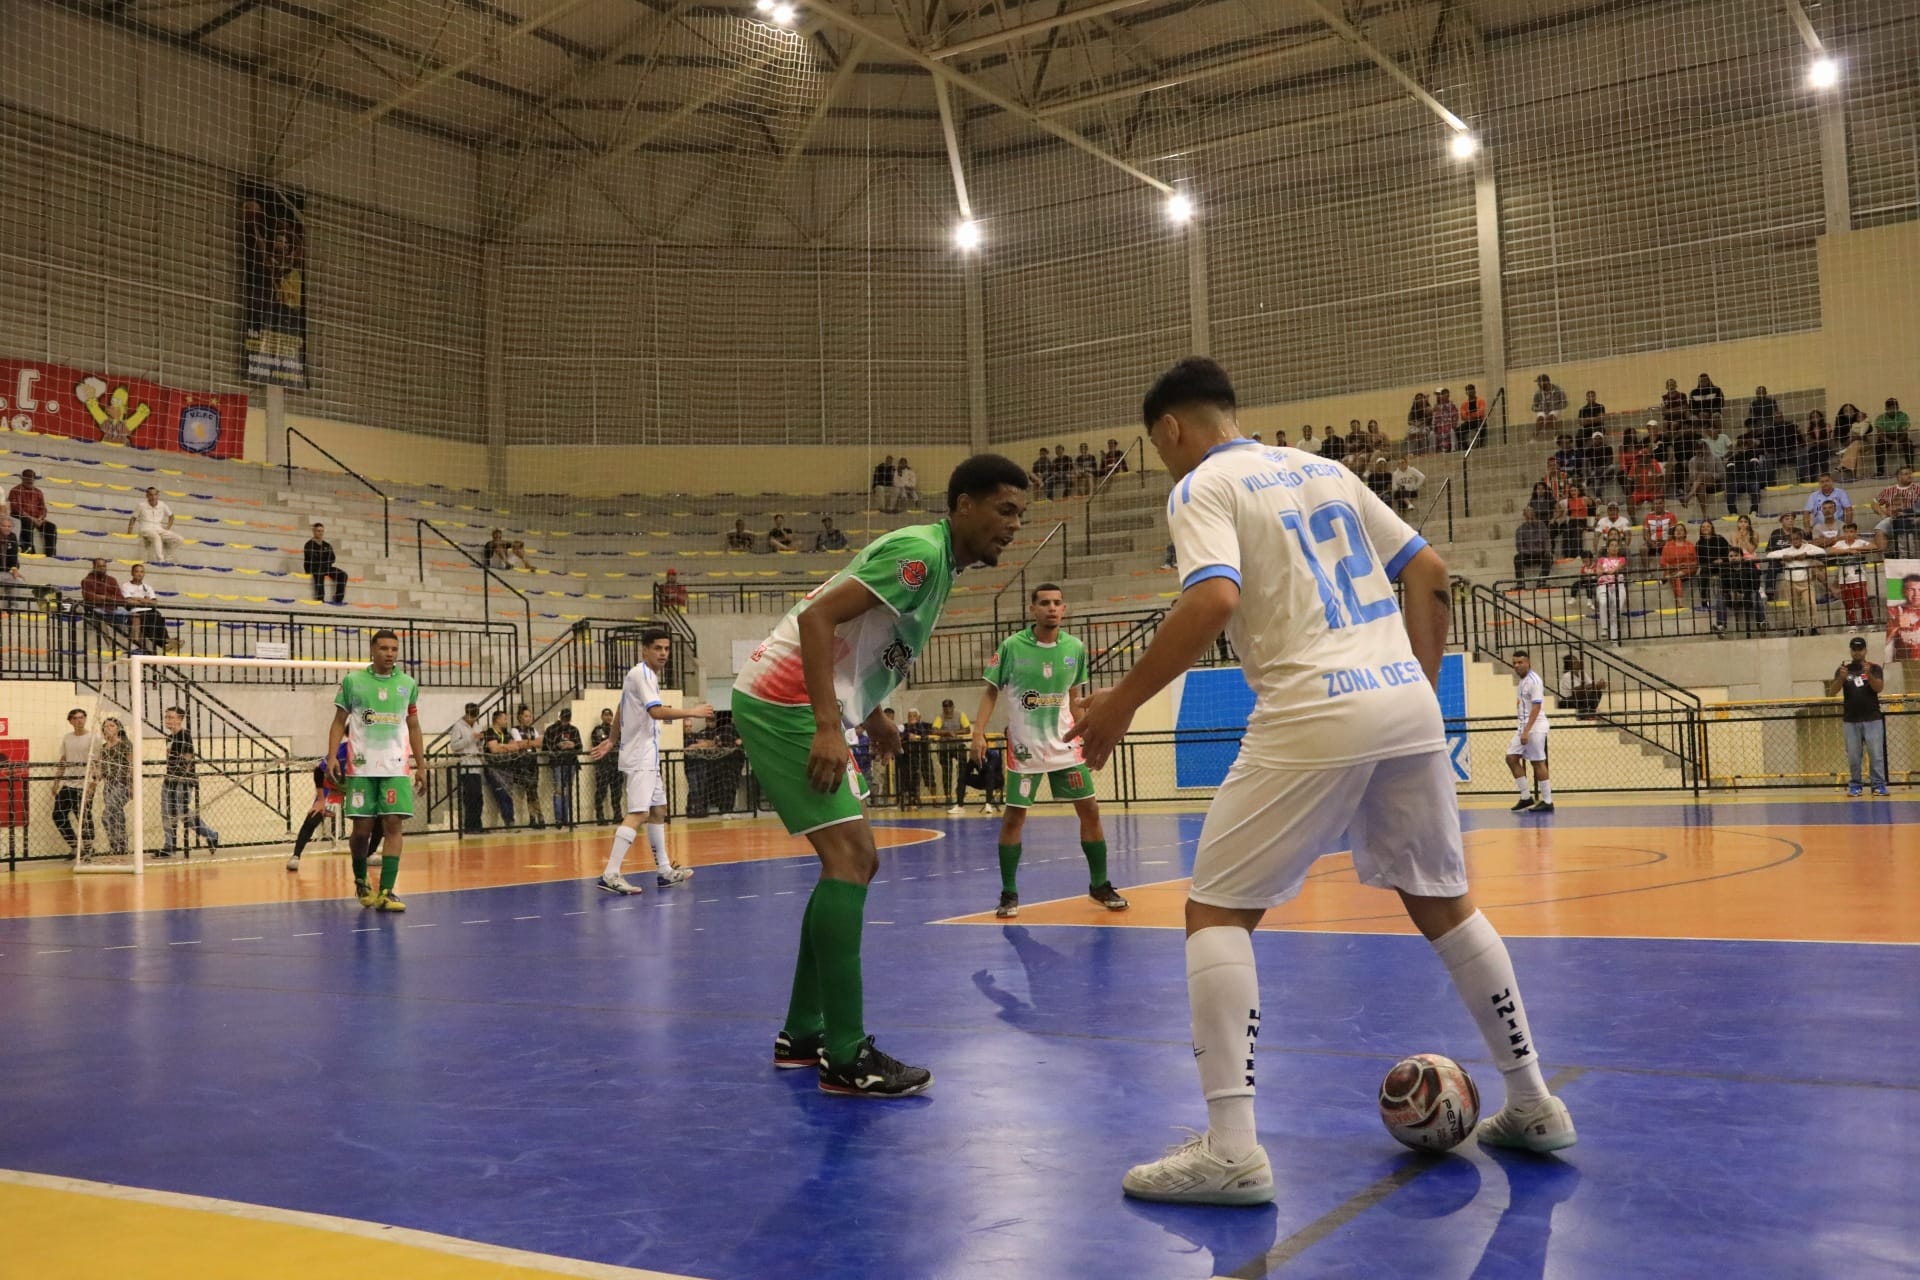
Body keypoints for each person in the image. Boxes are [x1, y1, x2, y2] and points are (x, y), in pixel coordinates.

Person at [1069, 357, 1573, 1208]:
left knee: (1217, 911)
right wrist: (1410, 680)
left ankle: (1231, 1150)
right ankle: (1534, 1102)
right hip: (1404, 703)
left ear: (1168, 430)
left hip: (1311, 705)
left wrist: (1118, 703)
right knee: (1443, 899)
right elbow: (1432, 573)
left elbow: (1213, 601)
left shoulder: (1199, 487)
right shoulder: (1326, 469)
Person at [731, 452, 1029, 1098]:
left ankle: (804, 1034)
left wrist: (874, 716)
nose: (1013, 526)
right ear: (963, 505)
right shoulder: (920, 556)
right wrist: (829, 725)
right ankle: (843, 1055)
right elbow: (816, 618)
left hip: (806, 701)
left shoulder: (939, 564)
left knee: (852, 862)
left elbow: (862, 645)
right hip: (784, 700)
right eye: (1004, 510)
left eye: (1020, 516)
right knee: (852, 857)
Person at [971, 583, 1127, 920]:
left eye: (1057, 603)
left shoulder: (1075, 648)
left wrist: (1088, 733)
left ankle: (1099, 884)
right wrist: (978, 733)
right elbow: (990, 692)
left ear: (1064, 608)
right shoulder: (1012, 646)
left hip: (1066, 746)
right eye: (1044, 603)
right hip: (1025, 750)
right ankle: (1009, 892)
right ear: (1033, 609)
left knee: (1090, 811)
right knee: (1014, 818)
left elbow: (1076, 697)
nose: (1051, 608)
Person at [588, 628, 712, 894]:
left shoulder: (646, 676)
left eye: (666, 649)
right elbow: (656, 712)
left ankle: (664, 871)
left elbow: (622, 706)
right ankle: (610, 874)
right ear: (644, 650)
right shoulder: (641, 673)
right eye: (658, 648)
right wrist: (692, 711)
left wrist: (611, 740)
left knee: (658, 811)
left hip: (648, 755)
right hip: (640, 756)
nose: (663, 653)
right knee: (639, 813)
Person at [323, 630, 425, 910]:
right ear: (372, 649)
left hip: (395, 767)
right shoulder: (353, 682)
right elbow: (337, 721)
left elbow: (414, 727)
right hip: (361, 768)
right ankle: (360, 881)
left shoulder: (407, 684)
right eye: (384, 648)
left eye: (394, 648)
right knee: (362, 830)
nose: (390, 653)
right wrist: (332, 757)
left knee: (393, 823)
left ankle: (387, 891)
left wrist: (421, 765)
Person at [286, 741, 385, 872]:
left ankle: (370, 853)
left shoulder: (373, 751)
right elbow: (318, 771)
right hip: (334, 788)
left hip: (359, 789)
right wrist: (321, 800)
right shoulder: (340, 751)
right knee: (315, 815)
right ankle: (295, 856)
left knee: (381, 817)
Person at [1827, 637, 1888, 797]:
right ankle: (1855, 785)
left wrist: (1869, 674)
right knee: (1854, 755)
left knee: (1876, 754)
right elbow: (1832, 692)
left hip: (1872, 718)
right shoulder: (1843, 669)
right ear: (1850, 650)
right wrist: (1841, 678)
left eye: (1860, 649)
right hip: (1851, 720)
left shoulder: (1874, 668)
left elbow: (1879, 688)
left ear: (1865, 650)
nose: (1857, 652)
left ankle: (1878, 785)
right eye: (1854, 649)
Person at [160, 706, 220, 857]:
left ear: (180, 719)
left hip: (182, 780)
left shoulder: (184, 735)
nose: (168, 720)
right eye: (166, 717)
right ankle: (169, 846)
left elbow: (188, 758)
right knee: (166, 812)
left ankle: (210, 834)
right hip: (170, 779)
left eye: (172, 717)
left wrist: (180, 777)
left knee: (182, 812)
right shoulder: (169, 738)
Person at [1505, 650, 1553, 812]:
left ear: (1528, 663)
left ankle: (1547, 801)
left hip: (1535, 726)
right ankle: (1526, 797)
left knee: (1537, 761)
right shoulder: (1522, 681)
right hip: (1523, 725)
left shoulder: (1534, 681)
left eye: (1520, 662)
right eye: (1515, 663)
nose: (1517, 666)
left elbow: (1537, 707)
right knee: (1511, 758)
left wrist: (1527, 731)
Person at [53, 708, 97, 857]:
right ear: (70, 721)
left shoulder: (93, 738)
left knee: (83, 816)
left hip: (85, 783)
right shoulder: (67, 738)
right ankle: (74, 846)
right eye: (75, 718)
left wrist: (94, 783)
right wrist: (56, 781)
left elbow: (97, 762)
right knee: (58, 815)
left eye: (81, 718)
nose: (79, 721)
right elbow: (63, 759)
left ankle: (88, 848)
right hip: (68, 783)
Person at [1768, 527, 1827, 636]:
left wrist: (1807, 555)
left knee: (1811, 604)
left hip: (1806, 582)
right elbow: (1770, 555)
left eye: (1797, 539)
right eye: (1793, 539)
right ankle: (1798, 628)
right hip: (1791, 582)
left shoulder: (1808, 547)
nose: (1795, 541)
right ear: (1790, 541)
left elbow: (1822, 551)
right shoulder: (1787, 550)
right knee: (1794, 607)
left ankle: (1813, 627)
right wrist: (1783, 556)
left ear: (1801, 539)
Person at [480, 708, 530, 824]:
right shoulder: (490, 732)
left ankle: (510, 820)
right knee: (502, 794)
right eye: (505, 719)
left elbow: (516, 747)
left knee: (509, 794)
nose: (507, 721)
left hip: (506, 768)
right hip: (494, 769)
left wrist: (502, 746)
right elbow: (494, 749)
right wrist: (506, 747)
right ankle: (508, 821)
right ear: (497, 720)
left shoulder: (506, 733)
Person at [1828, 523, 1879, 631]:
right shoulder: (1840, 543)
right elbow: (1831, 551)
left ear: (1855, 532)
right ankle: (1852, 625)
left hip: (1859, 577)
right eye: (1846, 532)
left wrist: (1858, 549)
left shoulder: (1860, 542)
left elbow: (1874, 546)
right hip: (1844, 579)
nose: (1849, 534)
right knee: (1848, 602)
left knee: (1863, 601)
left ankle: (1869, 623)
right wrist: (1848, 551)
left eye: (1851, 532)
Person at [446, 702, 486, 833]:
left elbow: (478, 744)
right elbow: (454, 746)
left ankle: (478, 825)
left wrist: (480, 741)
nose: (473, 719)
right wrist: (470, 738)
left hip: (476, 764)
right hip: (465, 765)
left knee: (478, 797)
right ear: (466, 713)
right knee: (470, 796)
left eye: (475, 716)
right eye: (471, 716)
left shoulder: (477, 725)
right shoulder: (458, 726)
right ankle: (469, 826)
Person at [95, 716, 131, 859]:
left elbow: (131, 766)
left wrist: (132, 786)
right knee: (116, 815)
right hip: (108, 784)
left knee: (107, 815)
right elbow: (102, 769)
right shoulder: (103, 747)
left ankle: (120, 844)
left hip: (122, 784)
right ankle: (117, 846)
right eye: (106, 726)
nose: (108, 728)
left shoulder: (125, 745)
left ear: (118, 729)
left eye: (111, 726)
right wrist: (96, 774)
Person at [542, 708, 584, 829]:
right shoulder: (551, 730)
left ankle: (568, 819)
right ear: (560, 717)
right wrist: (557, 746)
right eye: (564, 718)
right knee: (559, 790)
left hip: (571, 763)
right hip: (558, 763)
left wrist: (573, 745)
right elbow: (545, 747)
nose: (566, 721)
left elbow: (580, 747)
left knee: (568, 791)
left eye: (568, 719)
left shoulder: (574, 730)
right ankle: (559, 819)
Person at [509, 706, 547, 827]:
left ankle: (534, 817)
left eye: (530, 716)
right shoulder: (514, 730)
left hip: (532, 762)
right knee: (530, 790)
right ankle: (537, 816)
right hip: (522, 762)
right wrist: (531, 742)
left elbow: (540, 743)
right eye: (526, 716)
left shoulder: (533, 730)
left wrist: (529, 743)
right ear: (520, 717)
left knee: (533, 790)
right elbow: (519, 744)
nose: (528, 718)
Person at [932, 699, 972, 811]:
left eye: (950, 707)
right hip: (945, 747)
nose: (948, 710)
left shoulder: (960, 715)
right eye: (945, 708)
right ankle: (947, 795)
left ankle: (960, 790)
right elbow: (934, 730)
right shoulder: (940, 717)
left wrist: (955, 733)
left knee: (963, 768)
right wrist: (947, 733)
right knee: (946, 771)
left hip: (958, 745)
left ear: (953, 707)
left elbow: (967, 729)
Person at [127, 487, 185, 563]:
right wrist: (129, 532)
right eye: (151, 495)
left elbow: (171, 516)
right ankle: (161, 560)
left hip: (159, 528)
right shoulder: (141, 505)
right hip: (145, 528)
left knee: (180, 539)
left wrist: (167, 528)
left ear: (158, 495)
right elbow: (133, 518)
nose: (153, 497)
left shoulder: (162, 504)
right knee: (156, 537)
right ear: (147, 495)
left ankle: (169, 557)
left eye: (155, 495)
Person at [120, 563, 168, 653]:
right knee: (148, 621)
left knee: (158, 617)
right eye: (137, 571)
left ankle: (166, 642)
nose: (139, 574)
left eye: (142, 572)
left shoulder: (147, 587)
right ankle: (163, 643)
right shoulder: (125, 586)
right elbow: (128, 601)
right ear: (132, 573)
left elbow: (154, 603)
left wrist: (137, 599)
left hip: (150, 611)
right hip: (136, 611)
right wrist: (145, 600)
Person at [1696, 519, 1733, 634]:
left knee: (1725, 570)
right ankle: (1704, 597)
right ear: (1701, 530)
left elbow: (1729, 551)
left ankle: (1727, 594)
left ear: (1712, 528)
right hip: (1708, 566)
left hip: (1721, 563)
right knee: (1703, 572)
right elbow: (1701, 560)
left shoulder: (1719, 538)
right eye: (1703, 527)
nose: (1705, 528)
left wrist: (1722, 559)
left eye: (1708, 526)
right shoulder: (1699, 543)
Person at [7, 469, 56, 555]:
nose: (29, 481)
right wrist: (33, 519)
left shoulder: (38, 492)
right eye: (27, 479)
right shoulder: (15, 490)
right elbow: (16, 509)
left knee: (51, 527)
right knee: (27, 522)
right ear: (22, 478)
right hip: (20, 517)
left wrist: (40, 519)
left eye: (31, 479)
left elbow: (43, 509)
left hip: (37, 519)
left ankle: (51, 553)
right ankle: (30, 549)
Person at [1595, 532, 1630, 643]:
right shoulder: (1601, 560)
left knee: (1616, 611)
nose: (1614, 547)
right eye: (1612, 545)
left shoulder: (1622, 559)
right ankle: (1605, 627)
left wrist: (1609, 571)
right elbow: (1598, 572)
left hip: (1618, 585)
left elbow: (1618, 568)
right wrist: (1606, 572)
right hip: (1603, 585)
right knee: (1603, 602)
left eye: (1616, 545)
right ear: (1607, 548)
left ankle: (1614, 639)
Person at [588, 707, 621, 823]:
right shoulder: (597, 730)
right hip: (603, 766)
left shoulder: (617, 729)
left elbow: (621, 743)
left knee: (617, 792)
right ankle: (600, 816)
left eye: (610, 715)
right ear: (602, 717)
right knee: (601, 791)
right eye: (605, 715)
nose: (608, 717)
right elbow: (597, 744)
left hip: (616, 765)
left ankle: (617, 815)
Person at [304, 522, 347, 604]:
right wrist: (324, 559)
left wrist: (322, 560)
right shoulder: (309, 545)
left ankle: (338, 599)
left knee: (343, 574)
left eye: (322, 531)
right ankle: (320, 599)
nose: (320, 533)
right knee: (319, 572)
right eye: (318, 531)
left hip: (325, 567)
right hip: (313, 568)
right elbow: (313, 560)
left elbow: (332, 558)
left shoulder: (327, 545)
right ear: (313, 531)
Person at [1871, 466, 1919, 536]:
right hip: (1893, 519)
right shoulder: (1889, 490)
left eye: (1910, 473)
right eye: (1906, 474)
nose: (1909, 476)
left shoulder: (1918, 488)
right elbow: (1874, 503)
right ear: (1899, 477)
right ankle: (1881, 547)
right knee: (1879, 530)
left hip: (1913, 518)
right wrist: (1882, 514)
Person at [1558, 653, 1607, 720]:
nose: (1578, 663)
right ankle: (1585, 715)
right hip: (1566, 701)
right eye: (1575, 662)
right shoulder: (1567, 676)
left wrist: (1599, 685)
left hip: (1577, 698)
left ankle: (1591, 713)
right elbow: (1576, 690)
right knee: (1586, 693)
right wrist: (1595, 685)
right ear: (1570, 666)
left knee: (1597, 692)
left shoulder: (1582, 673)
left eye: (1577, 661)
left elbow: (1591, 685)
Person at [1660, 523, 1697, 606]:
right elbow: (1663, 562)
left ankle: (1671, 576)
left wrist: (1686, 564)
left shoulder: (1690, 545)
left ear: (1685, 533)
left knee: (1678, 574)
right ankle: (1680, 603)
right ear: (1673, 533)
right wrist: (1674, 566)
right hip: (1673, 570)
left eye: (1681, 530)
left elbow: (1695, 562)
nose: (1679, 531)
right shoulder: (1668, 545)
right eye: (1677, 530)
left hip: (1687, 570)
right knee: (1676, 577)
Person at [1513, 508, 1553, 583]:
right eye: (1527, 513)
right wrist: (1530, 551)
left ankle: (1541, 581)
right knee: (1517, 558)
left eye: (1531, 512)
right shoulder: (1520, 529)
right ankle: (1520, 584)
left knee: (1549, 557)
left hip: (1540, 553)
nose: (1530, 515)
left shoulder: (1541, 525)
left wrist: (1547, 550)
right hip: (1527, 555)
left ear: (1534, 514)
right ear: (1524, 515)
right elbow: (1519, 546)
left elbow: (1546, 539)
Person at [1874, 398, 1912, 475]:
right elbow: (1880, 434)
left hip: (1900, 436)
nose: (1893, 410)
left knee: (1909, 443)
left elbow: (1905, 432)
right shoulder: (1881, 418)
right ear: (1886, 408)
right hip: (1886, 437)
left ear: (1898, 408)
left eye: (1894, 408)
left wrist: (1897, 441)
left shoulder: (1903, 415)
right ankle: (1880, 471)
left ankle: (1910, 468)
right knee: (1878, 445)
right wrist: (1891, 442)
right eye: (1890, 408)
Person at [1431, 388, 1459, 454]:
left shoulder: (1452, 406)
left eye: (1439, 394)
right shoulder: (1435, 408)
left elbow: (1455, 418)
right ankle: (1432, 453)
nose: (1438, 396)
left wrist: (1450, 426)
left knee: (1452, 431)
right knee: (1431, 434)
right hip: (1439, 431)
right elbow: (1434, 420)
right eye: (1437, 395)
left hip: (1449, 430)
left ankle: (1453, 449)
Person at [1458, 384, 1486, 448]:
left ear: (1474, 391)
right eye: (1468, 390)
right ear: (1466, 393)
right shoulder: (1464, 404)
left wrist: (1469, 415)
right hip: (1469, 422)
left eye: (1471, 390)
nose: (1470, 392)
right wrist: (1474, 415)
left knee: (1482, 426)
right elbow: (1463, 417)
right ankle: (1466, 447)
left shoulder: (1481, 401)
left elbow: (1481, 413)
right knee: (1458, 430)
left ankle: (1479, 445)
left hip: (1479, 421)